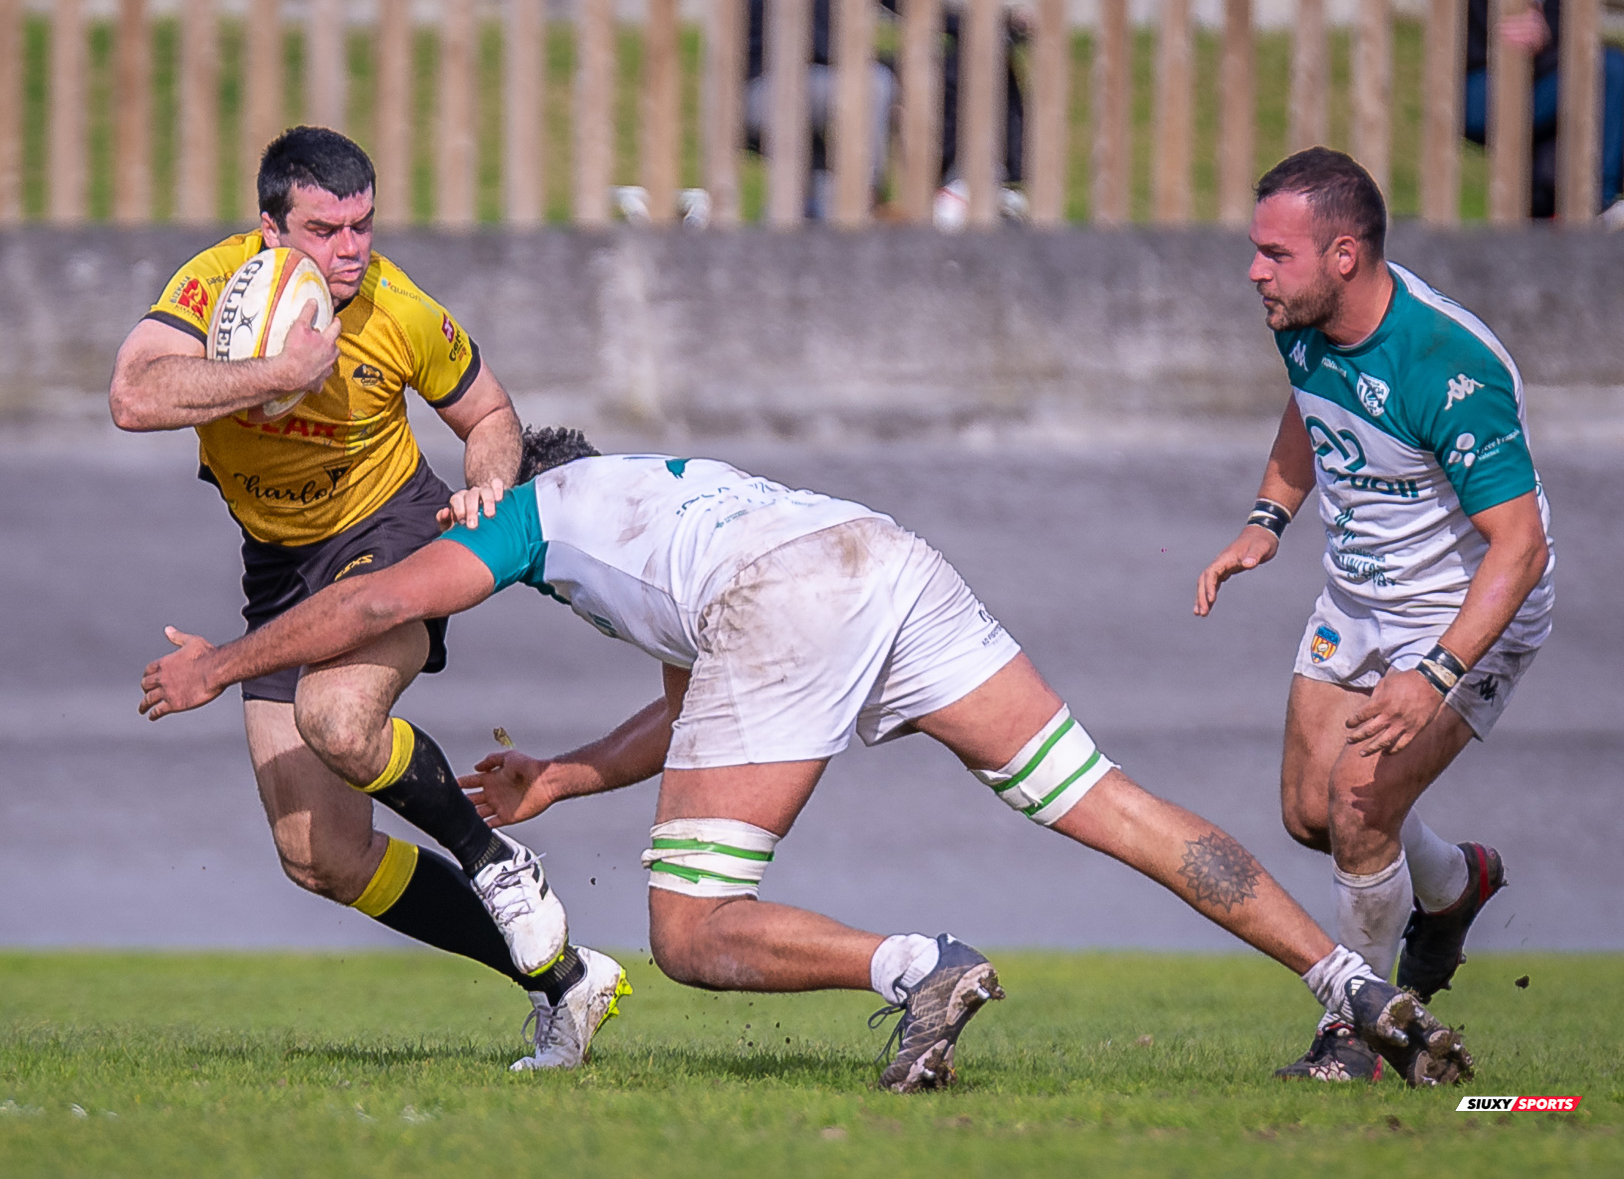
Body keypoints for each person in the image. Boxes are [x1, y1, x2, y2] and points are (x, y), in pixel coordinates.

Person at [140, 428, 1475, 1092]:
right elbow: (697, 701)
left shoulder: (525, 517)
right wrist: (562, 777)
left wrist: (223, 665)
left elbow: (379, 601)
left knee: (688, 930)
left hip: (789, 597)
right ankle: (1353, 984)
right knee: (1103, 798)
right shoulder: (660, 495)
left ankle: (922, 966)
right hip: (882, 557)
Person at [108, 126, 627, 1071]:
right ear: (270, 229)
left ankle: (496, 863)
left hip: (392, 536)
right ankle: (566, 979)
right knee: (321, 858)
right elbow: (133, 397)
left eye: (363, 226)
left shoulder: (397, 307)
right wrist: (280, 373)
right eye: (324, 230)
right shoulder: (217, 286)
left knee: (337, 719)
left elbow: (490, 413)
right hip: (280, 568)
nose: (349, 251)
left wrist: (485, 482)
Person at [1196, 147, 1552, 1081]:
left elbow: (1520, 548)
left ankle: (1357, 1032)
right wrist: (1267, 519)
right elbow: (1311, 409)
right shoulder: (1302, 320)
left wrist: (1434, 674)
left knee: (1359, 804)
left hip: (1467, 610)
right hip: (1358, 597)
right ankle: (1455, 886)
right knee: (1309, 815)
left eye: (1276, 254)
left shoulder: (1447, 364)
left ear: (1344, 255)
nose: (1255, 271)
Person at [742, 0, 1026, 221]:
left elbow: (917, 7)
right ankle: (863, 202)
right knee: (873, 85)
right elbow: (823, 49)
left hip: (819, 84)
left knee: (815, 194)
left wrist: (998, 24)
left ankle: (805, 230)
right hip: (764, 90)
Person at [1463, 0, 1624, 220]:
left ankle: (1555, 212)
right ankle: (1594, 207)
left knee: (1605, 77)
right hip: (1478, 87)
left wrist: (1543, 31)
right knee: (1608, 72)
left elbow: (1565, 32)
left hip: (1540, 81)